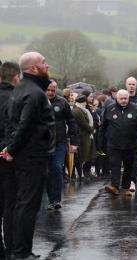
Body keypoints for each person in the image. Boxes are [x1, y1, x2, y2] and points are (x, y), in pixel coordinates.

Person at [2, 52, 55, 259]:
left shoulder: (19, 90)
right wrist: (12, 149)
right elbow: (26, 125)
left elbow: (11, 123)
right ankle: (21, 252)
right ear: (33, 68)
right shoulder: (34, 93)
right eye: (43, 62)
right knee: (28, 205)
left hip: (22, 155)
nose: (47, 64)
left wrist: (10, 148)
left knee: (19, 203)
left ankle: (17, 249)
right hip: (32, 157)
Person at [99, 90, 137, 196]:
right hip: (113, 144)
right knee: (114, 165)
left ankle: (125, 187)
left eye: (126, 98)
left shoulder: (135, 108)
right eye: (122, 98)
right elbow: (103, 127)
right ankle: (114, 186)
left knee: (128, 166)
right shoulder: (110, 108)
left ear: (128, 98)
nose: (124, 101)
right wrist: (101, 142)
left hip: (131, 144)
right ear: (117, 98)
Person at [45, 79, 78, 210]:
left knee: (57, 168)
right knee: (47, 172)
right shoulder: (39, 102)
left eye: (53, 90)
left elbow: (71, 121)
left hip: (60, 142)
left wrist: (74, 142)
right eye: (48, 90)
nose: (50, 92)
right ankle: (51, 199)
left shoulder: (62, 102)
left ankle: (57, 199)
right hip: (44, 143)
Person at [0, 61, 20, 259]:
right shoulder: (16, 98)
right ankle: (12, 250)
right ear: (15, 77)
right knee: (10, 205)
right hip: (8, 157)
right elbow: (16, 128)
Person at [72, 94, 95, 179]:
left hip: (87, 135)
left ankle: (85, 172)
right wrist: (91, 130)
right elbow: (83, 123)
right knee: (82, 155)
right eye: (85, 102)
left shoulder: (83, 109)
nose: (86, 103)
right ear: (83, 102)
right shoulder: (77, 111)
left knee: (88, 154)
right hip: (82, 136)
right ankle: (80, 174)